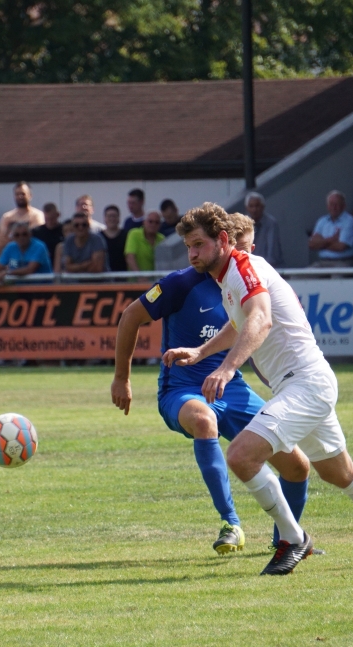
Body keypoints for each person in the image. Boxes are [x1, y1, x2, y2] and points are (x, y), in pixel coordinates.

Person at [164, 203, 353, 574]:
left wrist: (226, 368)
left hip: (304, 383)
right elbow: (241, 323)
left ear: (222, 240)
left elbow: (261, 320)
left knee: (240, 456)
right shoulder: (228, 276)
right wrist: (202, 351)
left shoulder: (243, 268)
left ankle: (293, 538)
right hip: (303, 384)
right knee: (338, 472)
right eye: (188, 246)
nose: (192, 254)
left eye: (199, 244)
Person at [111, 225, 310, 554]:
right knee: (204, 420)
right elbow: (131, 316)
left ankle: (288, 541)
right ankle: (231, 523)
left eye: (249, 251)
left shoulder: (248, 286)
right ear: (224, 244)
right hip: (182, 389)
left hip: (232, 388)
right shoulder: (181, 283)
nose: (244, 259)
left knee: (297, 466)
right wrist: (121, 377)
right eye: (190, 246)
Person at [0, 222, 53, 288]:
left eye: (24, 234)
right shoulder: (10, 247)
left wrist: (7, 273)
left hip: (42, 288)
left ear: (30, 235)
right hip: (19, 288)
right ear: (13, 237)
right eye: (17, 235)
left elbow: (30, 269)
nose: (21, 237)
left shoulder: (39, 246)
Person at [308, 191, 353, 268]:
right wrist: (331, 240)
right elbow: (311, 245)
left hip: (344, 262)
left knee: (337, 278)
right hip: (322, 262)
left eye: (337, 204)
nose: (334, 207)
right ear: (327, 206)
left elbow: (340, 247)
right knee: (299, 277)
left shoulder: (350, 221)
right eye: (331, 204)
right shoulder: (322, 221)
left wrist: (320, 244)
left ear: (344, 206)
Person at [0, 182, 45, 252]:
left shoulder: (37, 215)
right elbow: (0, 242)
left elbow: (35, 239)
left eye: (23, 194)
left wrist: (10, 235)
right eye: (17, 194)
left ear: (30, 196)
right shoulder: (7, 217)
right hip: (11, 256)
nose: (20, 196)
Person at [245, 192, 283, 267]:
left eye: (257, 206)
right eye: (251, 206)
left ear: (263, 207)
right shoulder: (243, 222)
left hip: (267, 267)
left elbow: (272, 251)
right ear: (247, 208)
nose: (254, 210)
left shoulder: (271, 223)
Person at [32, 203, 65, 267]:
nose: (49, 222)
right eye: (47, 219)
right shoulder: (37, 232)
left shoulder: (64, 230)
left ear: (58, 215)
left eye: (52, 219)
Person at [101, 205, 128, 272]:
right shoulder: (98, 237)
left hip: (123, 275)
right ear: (105, 218)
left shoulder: (126, 235)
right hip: (104, 276)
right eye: (109, 216)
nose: (112, 219)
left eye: (114, 216)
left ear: (119, 218)